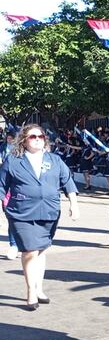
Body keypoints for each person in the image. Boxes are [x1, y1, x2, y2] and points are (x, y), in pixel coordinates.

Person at [0, 124, 79, 310]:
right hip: (21, 212)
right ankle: (30, 290)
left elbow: (67, 181)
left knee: (41, 250)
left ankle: (39, 288)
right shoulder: (13, 160)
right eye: (32, 136)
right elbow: (2, 186)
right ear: (24, 140)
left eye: (40, 136)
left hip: (49, 211)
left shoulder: (55, 160)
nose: (37, 139)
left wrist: (74, 204)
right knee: (30, 250)